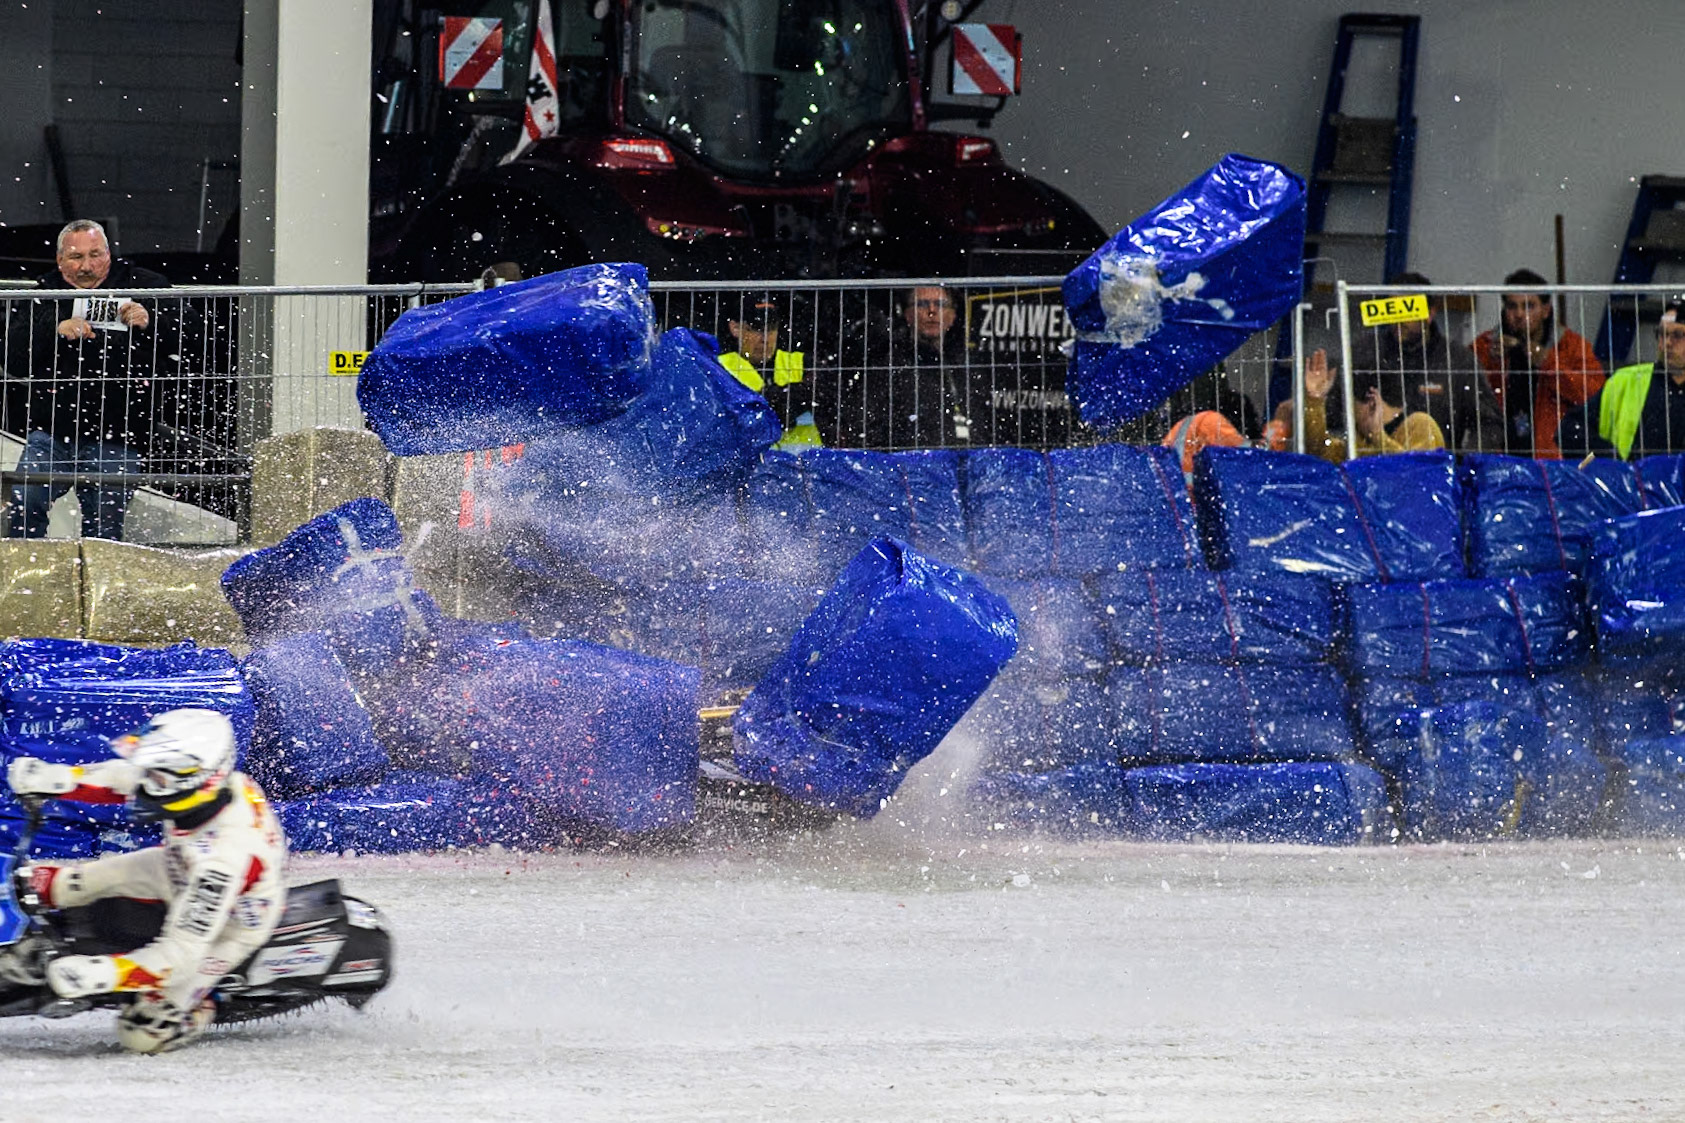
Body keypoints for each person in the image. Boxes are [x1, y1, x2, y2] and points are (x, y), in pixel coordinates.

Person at [0, 709, 285, 1054]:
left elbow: (179, 955)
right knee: (49, 882)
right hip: (176, 865)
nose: (147, 782)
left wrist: (105, 972)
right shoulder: (211, 786)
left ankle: (207, 1002)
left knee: (142, 1032)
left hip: (231, 924)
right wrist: (60, 778)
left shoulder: (222, 862)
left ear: (197, 780)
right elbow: (127, 779)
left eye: (158, 777)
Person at [3, 219, 172, 539]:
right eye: (76, 257)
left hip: (119, 432)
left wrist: (153, 320)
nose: (86, 266)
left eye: (94, 255)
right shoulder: (43, 294)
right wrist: (52, 331)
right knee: (25, 503)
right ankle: (24, 584)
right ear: (59, 260)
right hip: (52, 431)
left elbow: (193, 338)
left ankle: (96, 588)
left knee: (105, 525)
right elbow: (12, 356)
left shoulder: (146, 285)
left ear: (109, 253)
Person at [1349, 272, 1505, 453]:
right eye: (1391, 308)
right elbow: (1337, 412)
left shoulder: (1458, 361)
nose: (1398, 318)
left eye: (1407, 308)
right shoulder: (1366, 352)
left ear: (1430, 313)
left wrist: (1463, 464)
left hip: (1437, 471)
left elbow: (1489, 424)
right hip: (1369, 467)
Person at [821, 285, 974, 449]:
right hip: (910, 466)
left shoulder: (967, 367)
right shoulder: (889, 367)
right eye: (922, 304)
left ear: (953, 315)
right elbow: (864, 427)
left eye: (940, 304)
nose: (931, 311)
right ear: (908, 315)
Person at [1473, 268, 1604, 459]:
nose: (1519, 314)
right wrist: (1492, 363)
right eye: (1512, 306)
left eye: (1528, 306)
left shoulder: (1572, 347)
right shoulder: (1484, 346)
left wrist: (1548, 362)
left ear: (1546, 310)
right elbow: (1466, 394)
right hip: (1498, 458)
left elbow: (1596, 397)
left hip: (1551, 462)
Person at [1558, 300, 1685, 459]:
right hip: (1632, 482)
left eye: (1678, 335)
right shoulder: (1627, 380)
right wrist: (1611, 464)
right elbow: (1570, 430)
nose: (1667, 343)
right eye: (1662, 334)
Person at [1281, 348, 1446, 461]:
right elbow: (1317, 452)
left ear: (1371, 401)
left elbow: (1418, 477)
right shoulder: (1359, 440)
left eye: (1351, 404)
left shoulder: (1421, 426)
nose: (1347, 412)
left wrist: (1380, 439)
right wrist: (1314, 400)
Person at [718, 297, 821, 449]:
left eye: (771, 328)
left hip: (804, 466)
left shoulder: (802, 363)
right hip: (753, 469)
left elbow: (827, 396)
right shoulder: (720, 368)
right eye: (756, 329)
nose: (765, 339)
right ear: (735, 328)